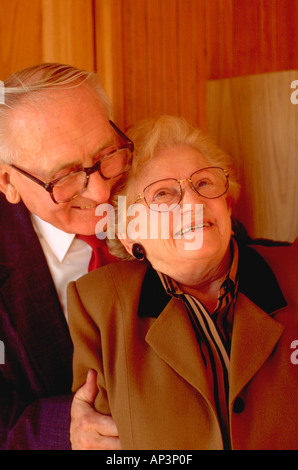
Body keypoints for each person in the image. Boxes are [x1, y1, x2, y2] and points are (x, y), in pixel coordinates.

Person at [69, 115, 298, 450]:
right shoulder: (99, 304)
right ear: (129, 230)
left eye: (204, 184)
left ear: (227, 203)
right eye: (163, 193)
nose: (192, 203)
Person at [0, 63, 133, 449]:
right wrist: (69, 430)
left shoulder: (153, 179)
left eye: (106, 155)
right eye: (65, 176)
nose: (101, 194)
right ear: (7, 180)